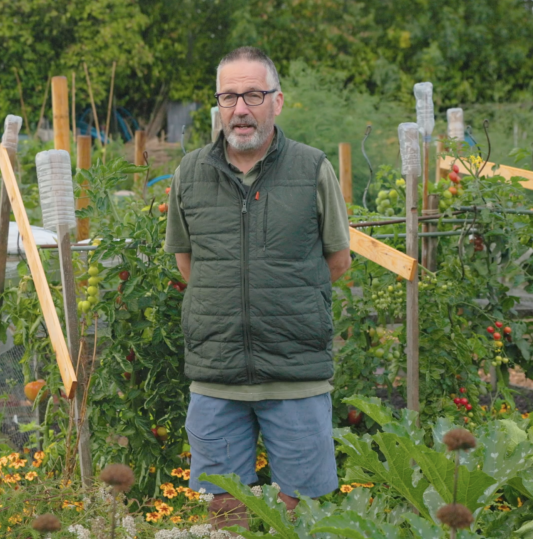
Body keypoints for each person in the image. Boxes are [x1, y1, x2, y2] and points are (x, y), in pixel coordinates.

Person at [164, 46, 351, 530]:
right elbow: (189, 262)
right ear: (219, 105)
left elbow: (337, 259)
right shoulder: (189, 174)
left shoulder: (312, 169)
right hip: (216, 375)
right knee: (223, 509)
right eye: (229, 97)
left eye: (253, 94)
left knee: (302, 512)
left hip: (295, 374)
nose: (240, 109)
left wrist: (280, 298)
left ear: (278, 101)